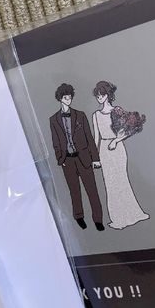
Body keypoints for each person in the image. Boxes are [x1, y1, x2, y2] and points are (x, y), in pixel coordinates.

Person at [92, 80, 149, 230]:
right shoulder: (96, 115)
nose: (100, 98)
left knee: (122, 181)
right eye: (98, 95)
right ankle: (117, 218)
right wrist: (95, 158)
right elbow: (96, 138)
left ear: (108, 95)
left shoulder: (117, 110)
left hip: (117, 149)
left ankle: (133, 214)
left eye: (102, 94)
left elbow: (132, 128)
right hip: (104, 150)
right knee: (110, 184)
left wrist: (116, 140)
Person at [50, 83, 104, 230]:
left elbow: (89, 137)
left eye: (70, 97)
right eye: (65, 98)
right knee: (74, 191)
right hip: (67, 160)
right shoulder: (53, 119)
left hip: (84, 158)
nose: (68, 100)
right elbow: (55, 141)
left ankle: (98, 219)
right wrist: (60, 159)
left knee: (92, 190)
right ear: (60, 99)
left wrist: (95, 159)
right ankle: (79, 216)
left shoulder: (80, 115)